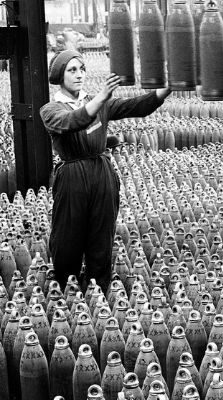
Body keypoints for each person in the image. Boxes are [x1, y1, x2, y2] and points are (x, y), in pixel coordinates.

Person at [40, 50, 171, 293]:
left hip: (102, 172)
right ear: (60, 76)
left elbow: (136, 106)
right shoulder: (51, 109)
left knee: (102, 234)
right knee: (68, 236)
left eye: (82, 69)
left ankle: (97, 288)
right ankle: (65, 289)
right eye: (72, 70)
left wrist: (166, 90)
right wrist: (100, 98)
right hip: (72, 176)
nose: (80, 75)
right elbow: (73, 121)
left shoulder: (98, 103)